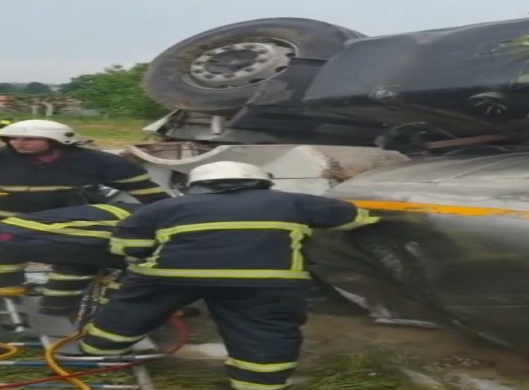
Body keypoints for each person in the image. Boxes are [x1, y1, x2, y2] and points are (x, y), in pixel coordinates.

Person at [79, 161, 380, 390]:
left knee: (132, 309)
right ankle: (260, 384)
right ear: (261, 183)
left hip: (171, 274)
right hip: (266, 280)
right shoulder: (294, 201)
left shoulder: (166, 206)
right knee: (263, 330)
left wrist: (151, 257)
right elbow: (355, 217)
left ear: (195, 184)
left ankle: (97, 352)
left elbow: (128, 246)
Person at [0, 119, 171, 219]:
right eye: (13, 138)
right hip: (9, 226)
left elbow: (148, 193)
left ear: (56, 140)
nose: (19, 143)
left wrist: (175, 215)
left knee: (76, 267)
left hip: (67, 226)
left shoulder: (97, 161)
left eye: (29, 138)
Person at [0, 202, 144, 315]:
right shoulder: (157, 218)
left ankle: (55, 310)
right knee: (141, 269)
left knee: (78, 262)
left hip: (10, 232)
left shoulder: (146, 210)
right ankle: (112, 313)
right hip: (47, 238)